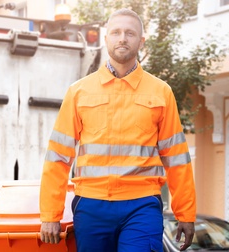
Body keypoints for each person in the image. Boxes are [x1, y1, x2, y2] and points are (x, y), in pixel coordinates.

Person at [39, 8, 196, 252]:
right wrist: (50, 214)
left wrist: (186, 213)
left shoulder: (161, 92)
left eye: (130, 33)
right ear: (106, 39)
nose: (122, 38)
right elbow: (58, 157)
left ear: (141, 41)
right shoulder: (79, 92)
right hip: (92, 204)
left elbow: (177, 159)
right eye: (116, 32)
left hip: (142, 204)